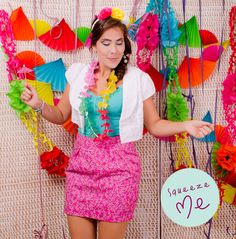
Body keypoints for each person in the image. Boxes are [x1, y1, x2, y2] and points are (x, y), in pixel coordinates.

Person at [20, 7, 214, 239]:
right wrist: (38, 104)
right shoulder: (78, 74)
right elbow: (61, 115)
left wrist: (186, 125)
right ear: (94, 46)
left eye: (119, 43)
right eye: (106, 43)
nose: (113, 50)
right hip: (81, 169)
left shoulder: (138, 79)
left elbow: (154, 125)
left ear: (125, 45)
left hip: (119, 171)